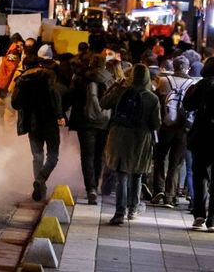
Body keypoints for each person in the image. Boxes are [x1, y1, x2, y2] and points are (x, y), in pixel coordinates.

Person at [101, 64, 161, 225]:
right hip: (141, 140)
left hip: (119, 137)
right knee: (137, 174)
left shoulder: (122, 91)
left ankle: (119, 213)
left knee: (121, 175)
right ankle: (133, 209)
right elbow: (156, 124)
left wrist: (116, 85)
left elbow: (104, 103)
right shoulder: (152, 98)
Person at [11, 54, 65, 201]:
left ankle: (40, 188)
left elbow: (15, 103)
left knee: (37, 156)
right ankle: (41, 180)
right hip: (49, 121)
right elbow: (55, 95)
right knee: (53, 156)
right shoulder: (49, 75)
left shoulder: (21, 80)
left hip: (32, 123)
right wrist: (60, 115)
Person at [68, 54, 114, 204]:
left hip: (85, 122)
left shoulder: (81, 78)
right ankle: (97, 184)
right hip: (104, 122)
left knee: (87, 155)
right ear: (104, 65)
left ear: (91, 63)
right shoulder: (110, 79)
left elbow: (72, 95)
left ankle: (91, 189)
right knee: (99, 155)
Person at [151, 56, 194, 208]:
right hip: (183, 129)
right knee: (176, 163)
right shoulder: (192, 84)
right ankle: (170, 196)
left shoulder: (163, 82)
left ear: (173, 67)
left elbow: (156, 101)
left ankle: (158, 190)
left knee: (160, 158)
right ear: (187, 68)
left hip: (165, 127)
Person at [183, 57, 214, 231]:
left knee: (199, 175)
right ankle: (213, 220)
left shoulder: (201, 85)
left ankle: (199, 215)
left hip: (201, 137)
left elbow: (187, 105)